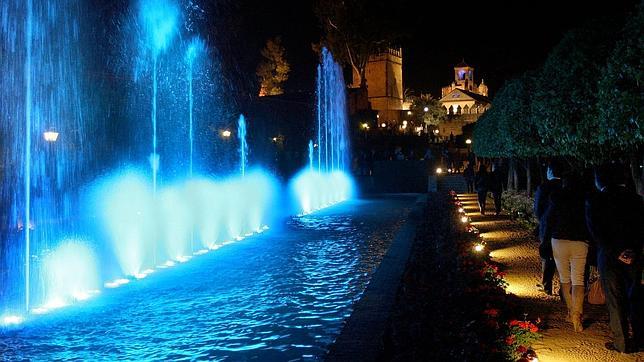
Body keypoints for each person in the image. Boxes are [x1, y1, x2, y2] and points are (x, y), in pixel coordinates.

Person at [586, 164, 644, 353]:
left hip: (609, 256)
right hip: (634, 256)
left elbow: (596, 232)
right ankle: (640, 339)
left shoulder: (595, 200)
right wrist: (632, 251)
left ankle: (622, 343)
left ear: (600, 179)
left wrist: (617, 251)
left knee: (614, 298)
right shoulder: (636, 200)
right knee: (634, 296)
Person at [543, 174, 590, 332]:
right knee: (579, 280)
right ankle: (578, 315)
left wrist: (544, 240)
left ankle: (570, 311)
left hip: (559, 240)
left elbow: (549, 220)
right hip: (580, 242)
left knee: (564, 279)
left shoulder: (556, 197)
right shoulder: (585, 198)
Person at [534, 161, 563, 295]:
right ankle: (564, 288)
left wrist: (543, 220)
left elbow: (538, 209)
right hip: (563, 225)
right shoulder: (566, 185)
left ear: (550, 172)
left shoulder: (544, 187)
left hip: (547, 226)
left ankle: (547, 284)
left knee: (547, 254)